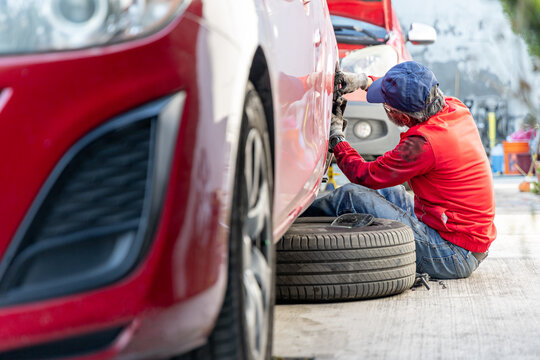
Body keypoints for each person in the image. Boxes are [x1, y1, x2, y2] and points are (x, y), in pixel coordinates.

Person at [305, 61, 496, 279]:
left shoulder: (423, 144)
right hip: (460, 235)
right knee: (389, 192)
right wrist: (363, 82)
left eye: (385, 105)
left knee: (352, 196)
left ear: (403, 118)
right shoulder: (454, 108)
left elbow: (365, 175)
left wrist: (337, 138)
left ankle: (293, 219)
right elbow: (406, 88)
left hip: (452, 254)